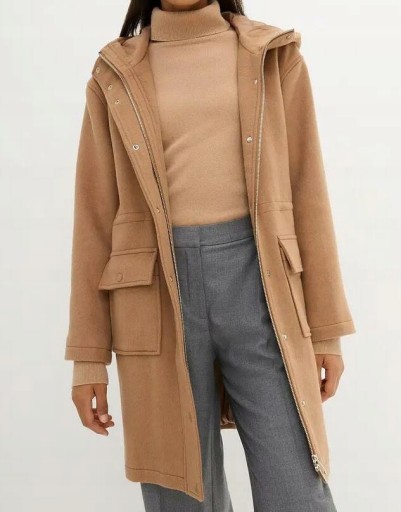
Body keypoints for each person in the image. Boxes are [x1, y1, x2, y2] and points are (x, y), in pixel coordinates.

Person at [65, 0, 356, 510]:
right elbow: (94, 220)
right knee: (179, 493)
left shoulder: (272, 55)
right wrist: (88, 359)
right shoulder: (114, 73)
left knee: (296, 488)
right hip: (154, 297)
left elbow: (308, 189)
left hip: (262, 287)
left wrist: (327, 328)